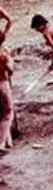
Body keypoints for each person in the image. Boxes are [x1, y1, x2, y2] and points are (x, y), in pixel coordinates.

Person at [0, 14, 14, 150]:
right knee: (8, 112)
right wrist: (10, 61)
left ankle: (8, 140)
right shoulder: (2, 55)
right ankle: (1, 142)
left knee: (1, 112)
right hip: (1, 84)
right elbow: (10, 71)